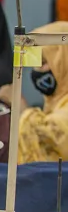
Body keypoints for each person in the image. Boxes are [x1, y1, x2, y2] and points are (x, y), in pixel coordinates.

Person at [18, 22, 68, 164]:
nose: (37, 70)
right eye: (36, 62)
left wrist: (23, 111)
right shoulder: (56, 101)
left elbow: (53, 139)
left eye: (44, 62)